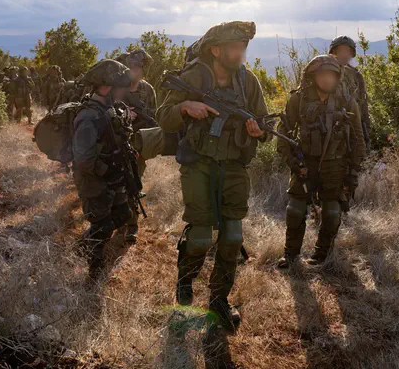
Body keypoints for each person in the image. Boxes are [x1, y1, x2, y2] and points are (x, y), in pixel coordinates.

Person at [156, 21, 267, 334]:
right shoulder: (194, 76)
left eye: (243, 47)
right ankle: (185, 283)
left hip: (234, 166)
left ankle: (219, 298)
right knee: (202, 236)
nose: (240, 52)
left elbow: (262, 124)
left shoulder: (248, 82)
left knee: (232, 237)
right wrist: (186, 107)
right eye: (234, 46)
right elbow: (163, 116)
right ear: (216, 50)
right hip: (199, 164)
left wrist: (257, 130)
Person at [276, 55, 366, 268]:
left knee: (332, 213)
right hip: (305, 162)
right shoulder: (299, 99)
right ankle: (290, 255)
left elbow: (358, 139)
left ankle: (321, 255)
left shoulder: (347, 101)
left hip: (335, 165)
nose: (326, 79)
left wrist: (353, 172)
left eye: (331, 75)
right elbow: (283, 134)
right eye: (322, 74)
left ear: (338, 76)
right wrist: (293, 163)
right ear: (313, 76)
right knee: (295, 210)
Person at [72, 59, 135, 276]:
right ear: (107, 87)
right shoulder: (88, 116)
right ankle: (94, 272)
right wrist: (107, 171)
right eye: (120, 88)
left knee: (123, 214)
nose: (122, 93)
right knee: (103, 226)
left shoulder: (109, 109)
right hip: (94, 181)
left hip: (111, 178)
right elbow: (83, 160)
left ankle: (82, 245)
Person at [117, 49, 156, 243]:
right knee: (114, 184)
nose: (134, 72)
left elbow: (154, 119)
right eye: (131, 68)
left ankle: (132, 225)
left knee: (133, 184)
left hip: (138, 146)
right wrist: (124, 116)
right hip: (115, 144)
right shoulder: (116, 88)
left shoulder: (148, 90)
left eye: (137, 68)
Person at [329, 36, 371, 149]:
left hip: (354, 127)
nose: (345, 54)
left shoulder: (356, 75)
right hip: (331, 129)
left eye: (348, 51)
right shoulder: (324, 73)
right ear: (333, 52)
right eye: (341, 50)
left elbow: (363, 104)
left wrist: (366, 128)